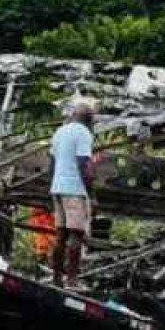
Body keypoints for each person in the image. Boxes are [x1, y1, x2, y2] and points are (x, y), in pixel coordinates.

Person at [48, 100, 96, 287]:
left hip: (57, 187)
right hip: (75, 189)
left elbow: (51, 162)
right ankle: (72, 280)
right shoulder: (83, 133)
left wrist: (52, 186)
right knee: (76, 234)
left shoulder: (60, 132)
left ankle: (56, 278)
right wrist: (91, 194)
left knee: (61, 235)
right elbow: (84, 164)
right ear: (88, 120)